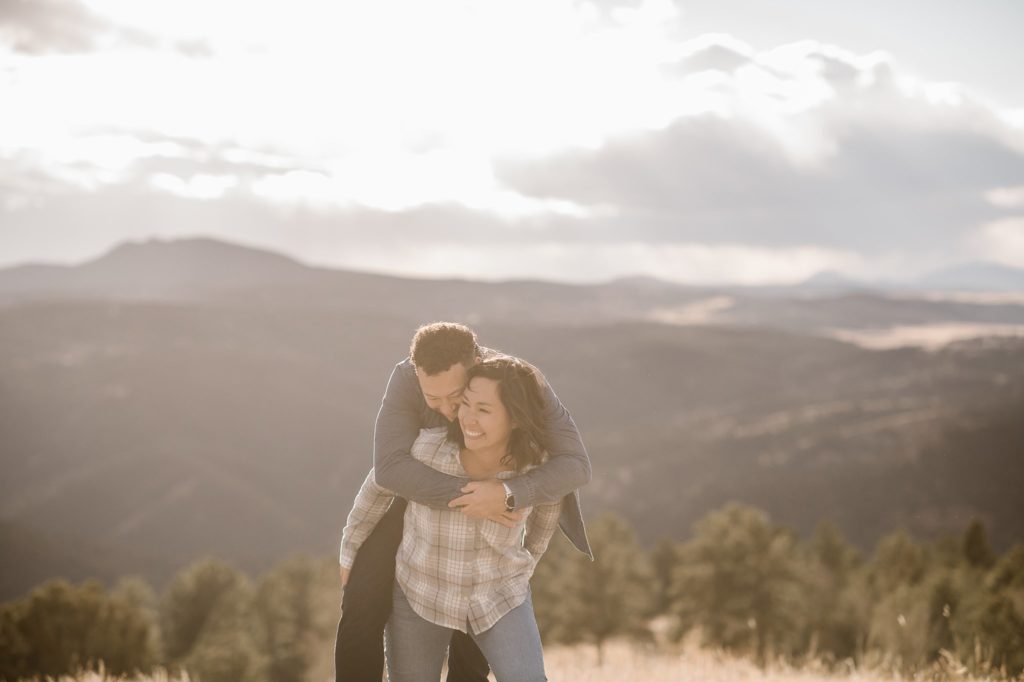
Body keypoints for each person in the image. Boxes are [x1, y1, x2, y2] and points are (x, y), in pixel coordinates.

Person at [334, 322, 592, 681]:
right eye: (432, 399)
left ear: (476, 363)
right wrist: (476, 497)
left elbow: (574, 466)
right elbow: (389, 470)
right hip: (413, 490)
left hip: (495, 509)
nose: (446, 410)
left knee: (472, 634)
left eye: (454, 395)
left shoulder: (518, 384)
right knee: (360, 604)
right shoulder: (408, 379)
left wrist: (507, 494)